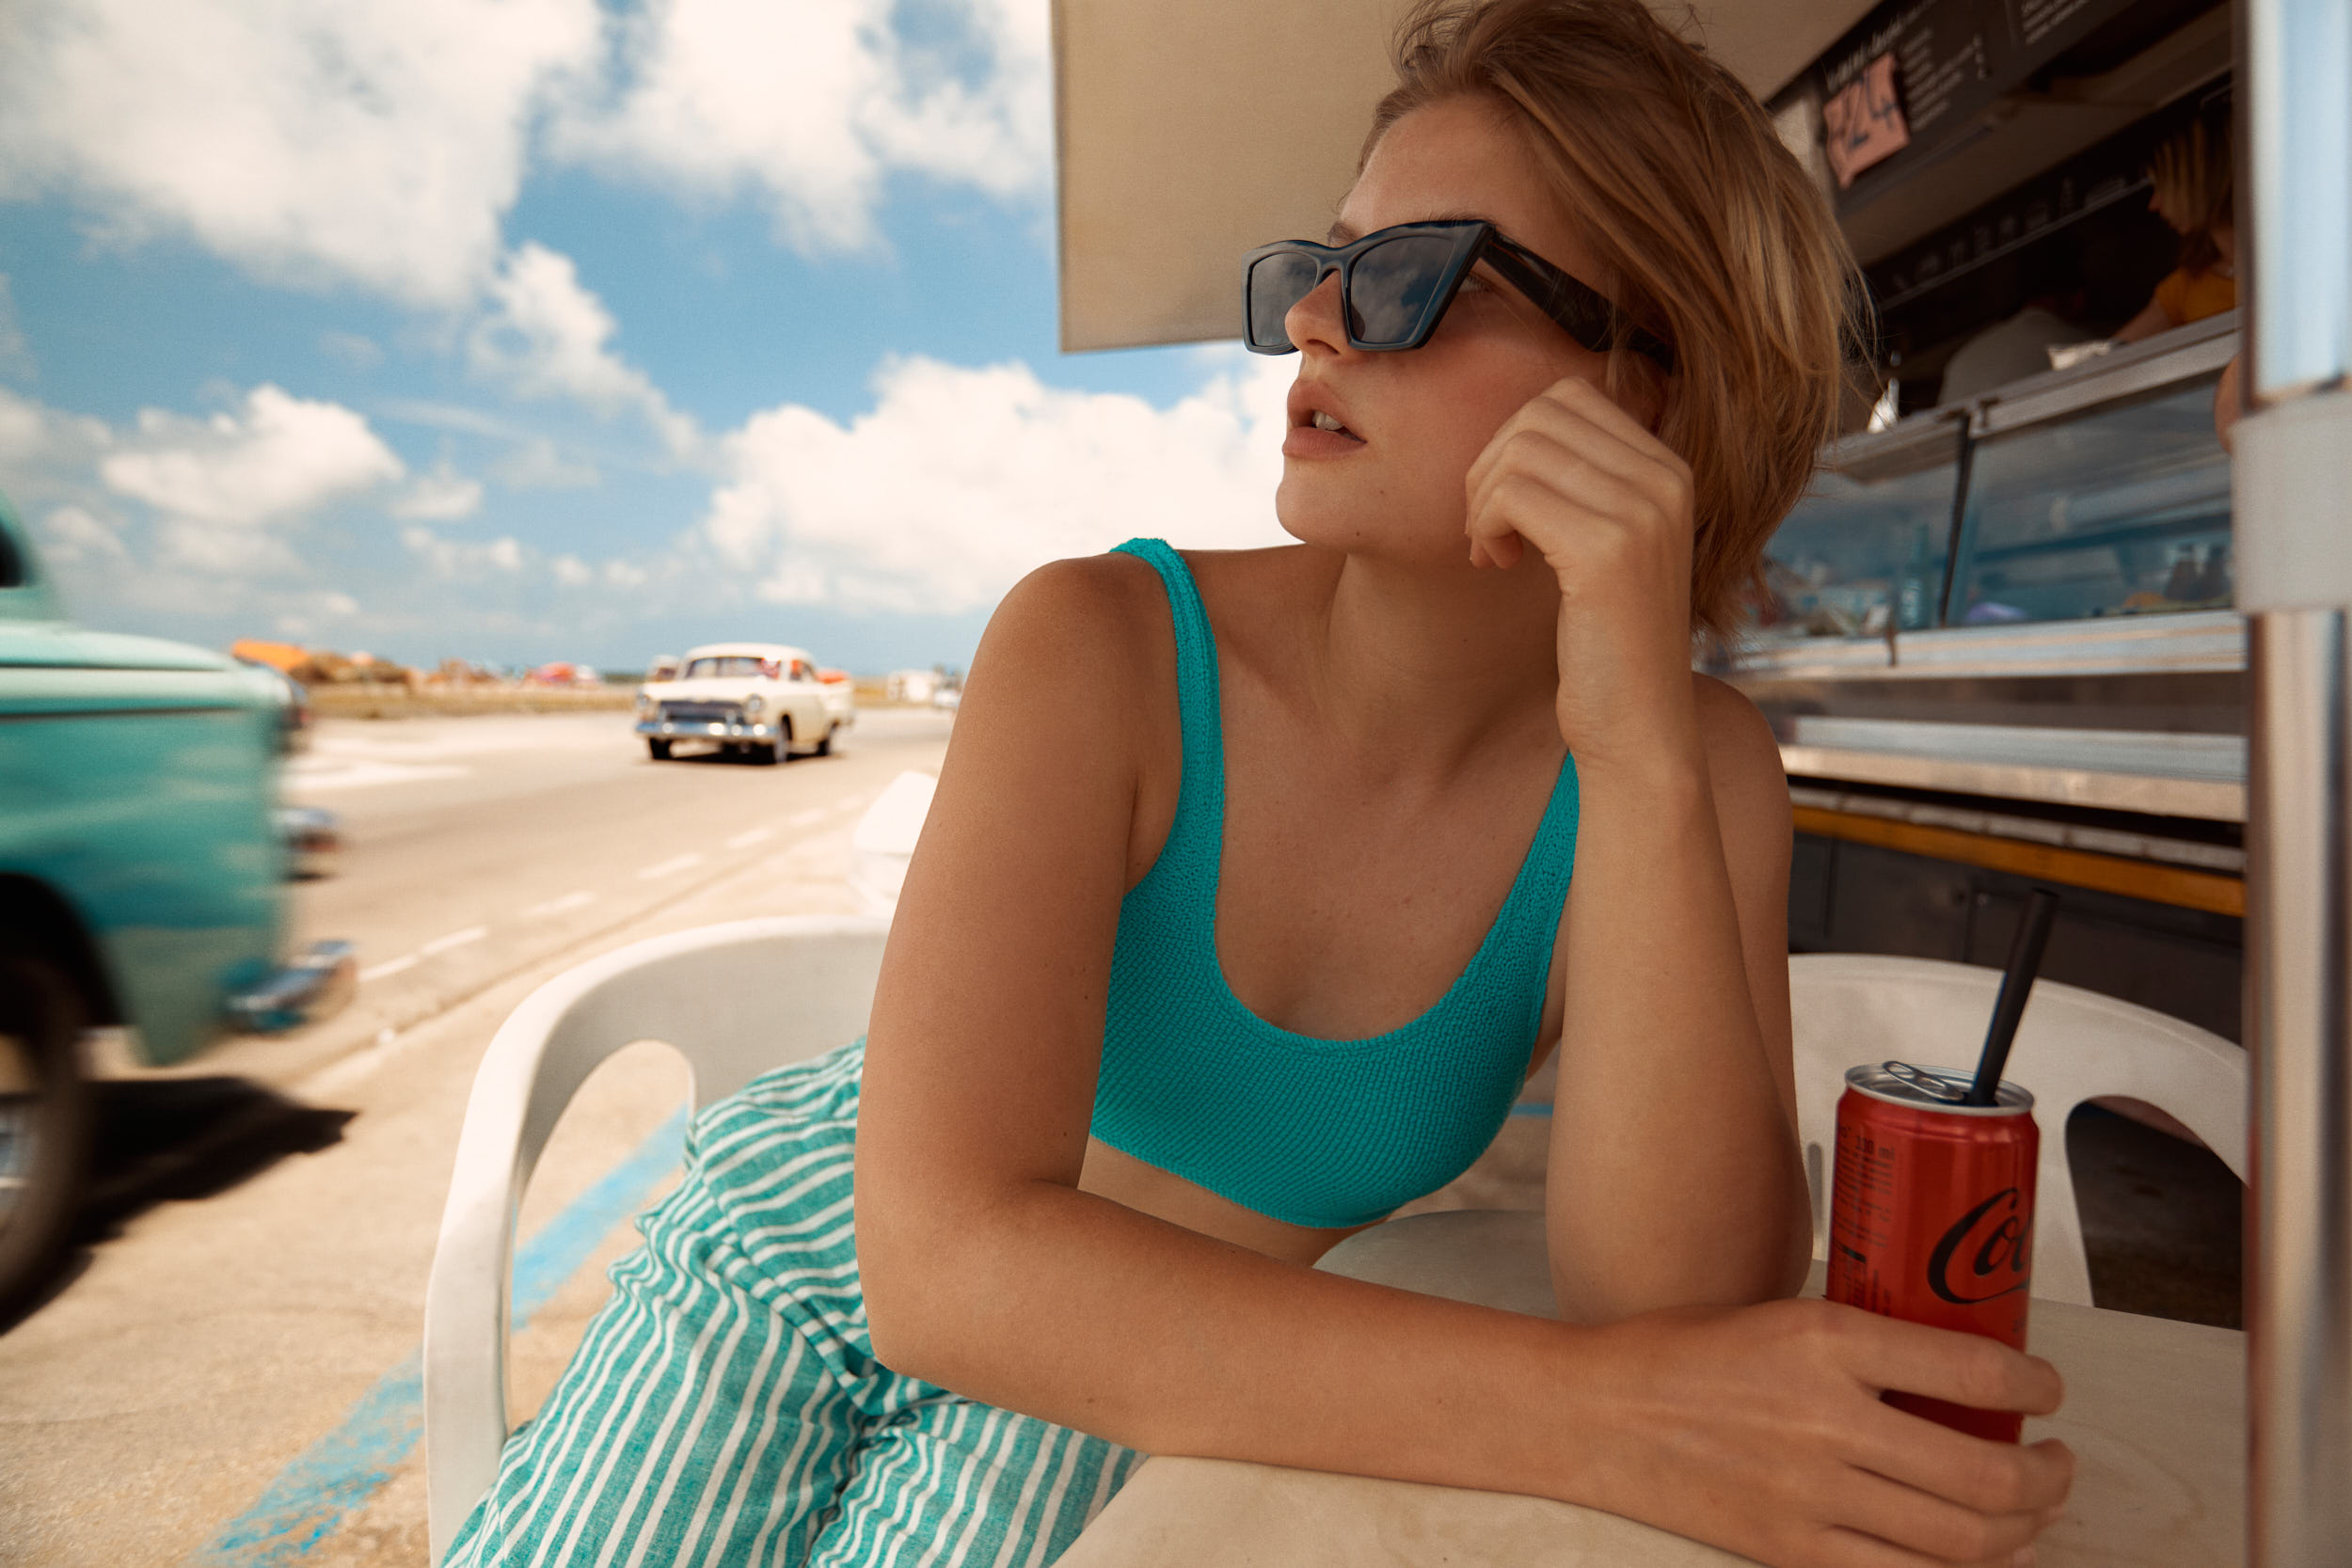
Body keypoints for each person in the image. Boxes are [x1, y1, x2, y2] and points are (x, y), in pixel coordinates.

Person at [444, 3, 2074, 1565]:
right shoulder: (1101, 643)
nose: (1312, 318)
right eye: (1322, 266)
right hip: (802, 1264)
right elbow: (943, 1264)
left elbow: (1675, 1318)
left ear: (1651, 381)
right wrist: (1600, 1421)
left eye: (1412, 277)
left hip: (1170, 1373)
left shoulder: (1693, 763)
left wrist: (1637, 745)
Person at [2114, 118, 2235, 344]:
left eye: (2160, 186)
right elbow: (2106, 358)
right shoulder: (2185, 286)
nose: (2153, 204)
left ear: (2198, 180)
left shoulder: (2301, 260)